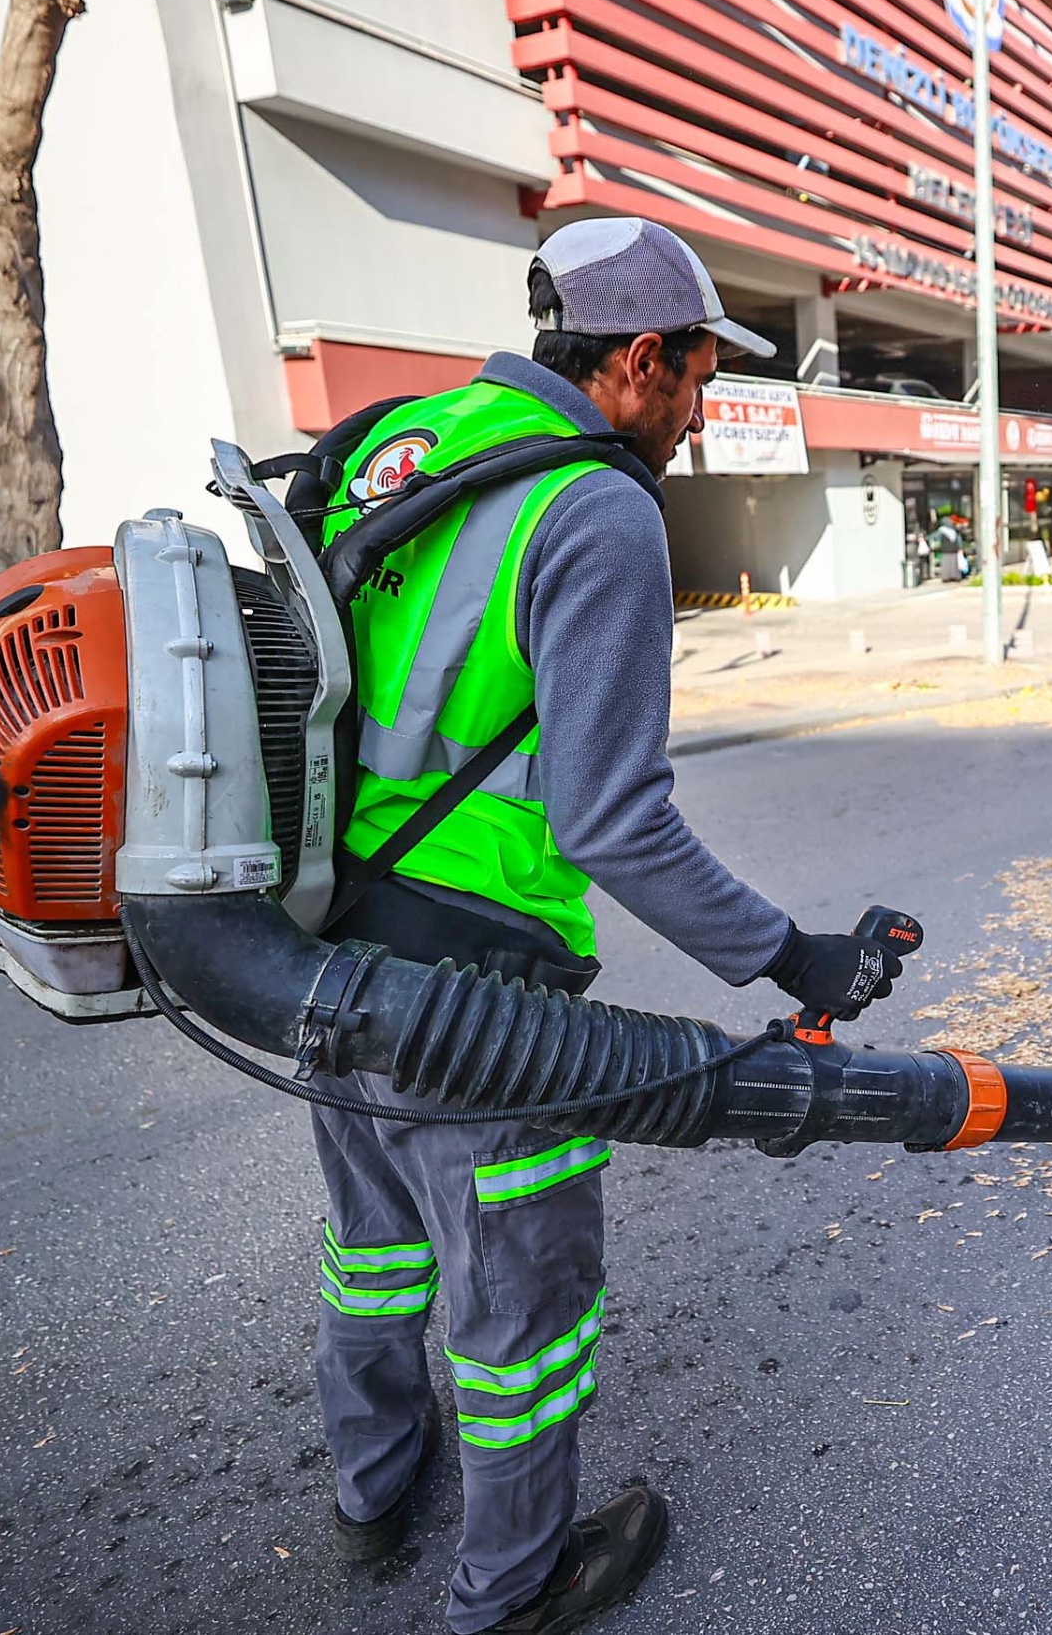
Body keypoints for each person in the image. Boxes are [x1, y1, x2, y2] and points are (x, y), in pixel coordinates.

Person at [307, 218, 908, 1633]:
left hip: (324, 941)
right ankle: (512, 1588)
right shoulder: (595, 507)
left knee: (375, 1246)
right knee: (521, 1310)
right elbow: (612, 819)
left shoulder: (405, 441)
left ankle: (371, 1488)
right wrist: (798, 957)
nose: (698, 414)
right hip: (479, 990)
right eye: (698, 377)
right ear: (640, 359)